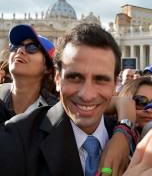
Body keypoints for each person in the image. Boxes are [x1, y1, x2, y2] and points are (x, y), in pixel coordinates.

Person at [0, 23, 136, 176]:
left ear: (115, 84)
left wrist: (124, 133)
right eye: (75, 77)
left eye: (100, 79)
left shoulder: (136, 144)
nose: (87, 94)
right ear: (58, 78)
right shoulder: (16, 138)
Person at [0, 24, 58, 122]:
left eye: (32, 47)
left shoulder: (56, 116)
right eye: (15, 46)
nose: (19, 50)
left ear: (47, 68)